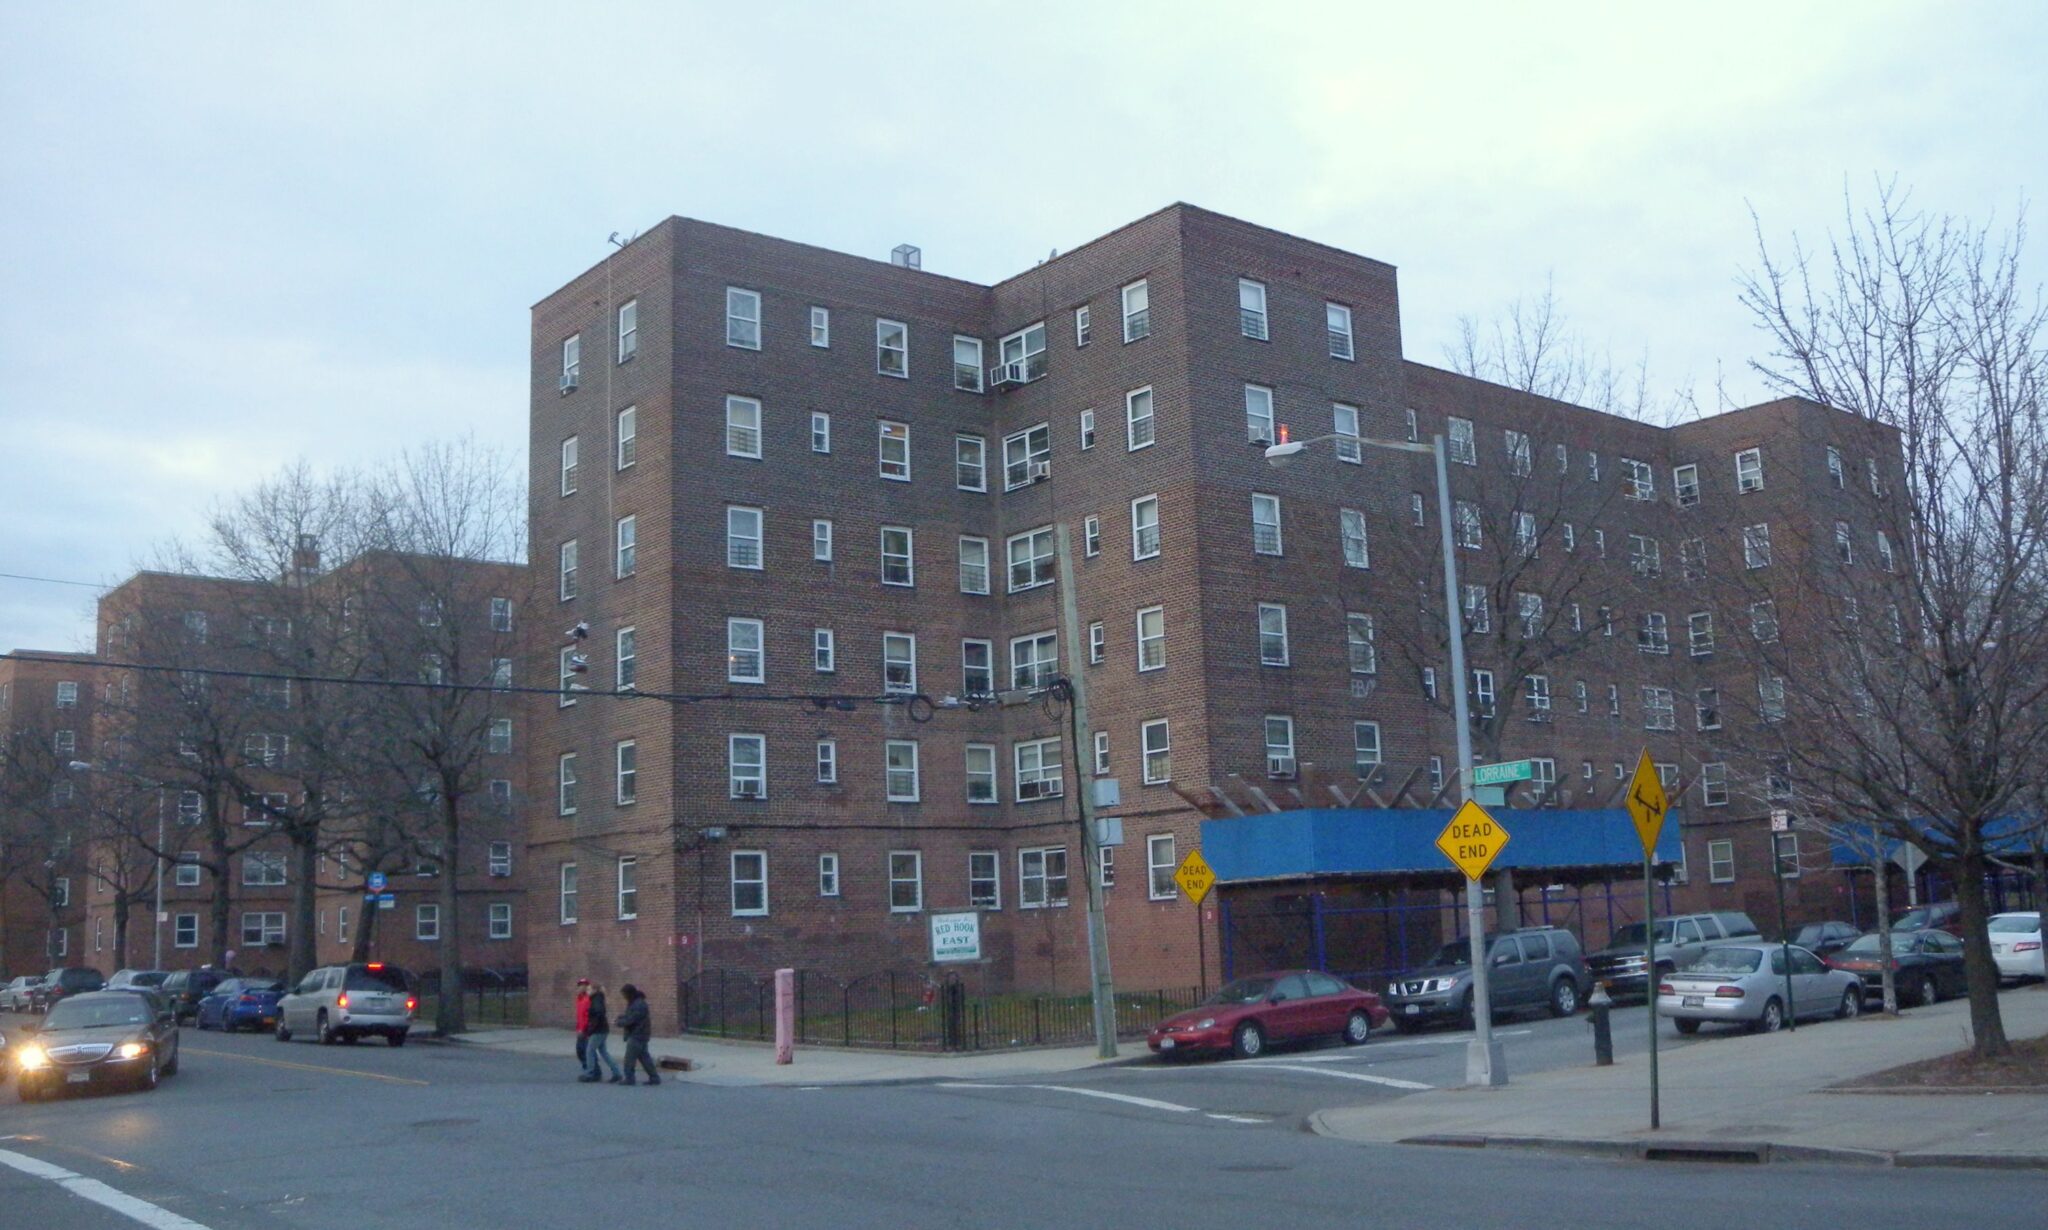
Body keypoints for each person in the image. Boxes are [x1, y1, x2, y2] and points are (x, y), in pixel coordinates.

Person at [617, 983, 659, 1086]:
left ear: (629, 993)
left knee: (629, 1058)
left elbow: (632, 1019)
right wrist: (622, 1018)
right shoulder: (636, 1002)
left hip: (637, 1034)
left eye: (624, 994)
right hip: (641, 1034)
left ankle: (629, 1078)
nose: (624, 997)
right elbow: (631, 1016)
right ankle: (654, 1077)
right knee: (644, 1058)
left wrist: (620, 1022)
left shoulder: (638, 1004)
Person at [579, 982, 622, 1083]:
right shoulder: (598, 999)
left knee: (589, 1050)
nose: (587, 991)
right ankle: (616, 1073)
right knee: (603, 1052)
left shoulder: (596, 1000)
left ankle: (590, 1073)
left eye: (589, 989)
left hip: (598, 1030)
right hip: (602, 1029)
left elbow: (598, 1014)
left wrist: (591, 1028)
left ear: (594, 990)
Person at [573, 978, 591, 1070]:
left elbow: (587, 1016)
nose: (582, 987)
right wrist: (578, 1028)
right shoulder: (579, 999)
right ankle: (587, 1067)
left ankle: (590, 1069)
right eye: (580, 985)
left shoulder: (589, 999)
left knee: (586, 1050)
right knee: (579, 1050)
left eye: (584, 985)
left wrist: (583, 1029)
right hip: (580, 1029)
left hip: (586, 1029)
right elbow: (579, 1015)